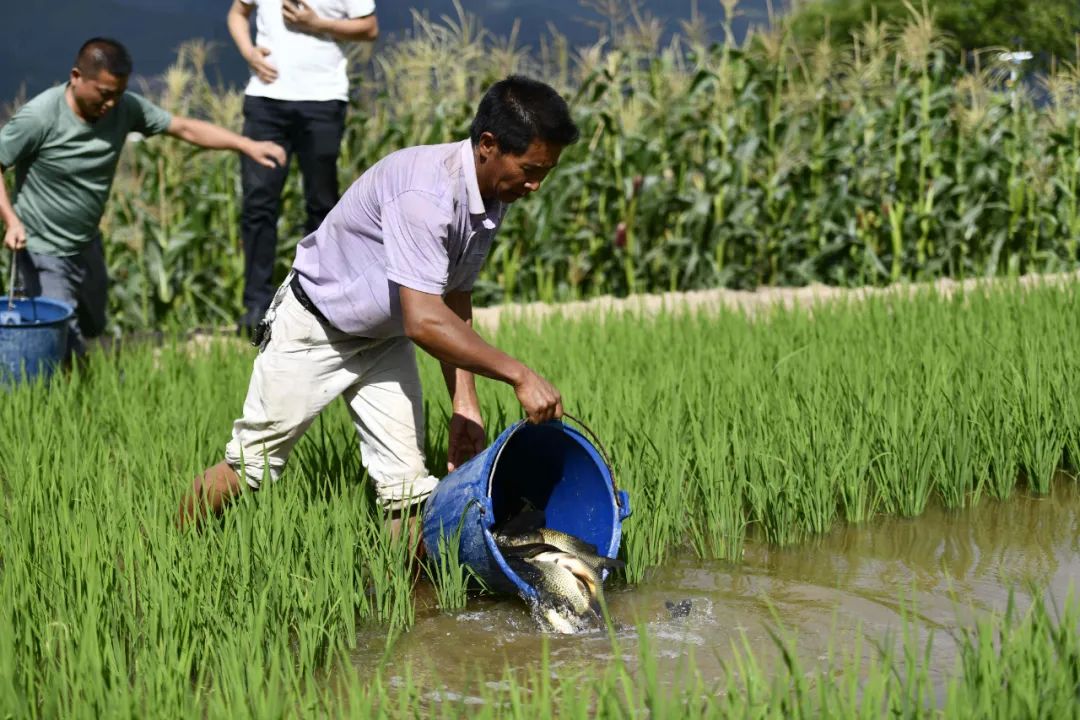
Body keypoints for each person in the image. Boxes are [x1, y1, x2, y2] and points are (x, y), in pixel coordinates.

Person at [181, 75, 580, 546]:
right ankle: (167, 546)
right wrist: (519, 375)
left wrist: (464, 402)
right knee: (251, 465)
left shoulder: (492, 194)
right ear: (488, 145)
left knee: (407, 490)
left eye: (544, 173)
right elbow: (424, 320)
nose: (535, 185)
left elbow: (454, 296)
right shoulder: (426, 195)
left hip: (382, 338)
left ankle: (410, 606)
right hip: (316, 328)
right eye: (530, 170)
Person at [0, 38, 286, 358]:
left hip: (86, 244)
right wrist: (11, 220)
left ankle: (84, 378)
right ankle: (63, 394)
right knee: (63, 339)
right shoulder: (40, 116)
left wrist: (246, 145)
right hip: (41, 248)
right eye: (104, 94)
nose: (110, 104)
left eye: (118, 94)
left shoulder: (125, 108)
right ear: (76, 76)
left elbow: (183, 128)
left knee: (94, 326)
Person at [227, 0, 379, 336]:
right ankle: (256, 305)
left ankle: (320, 298)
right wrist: (248, 52)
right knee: (258, 202)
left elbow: (368, 28)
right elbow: (238, 12)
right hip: (265, 99)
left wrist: (317, 23)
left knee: (321, 204)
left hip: (323, 100)